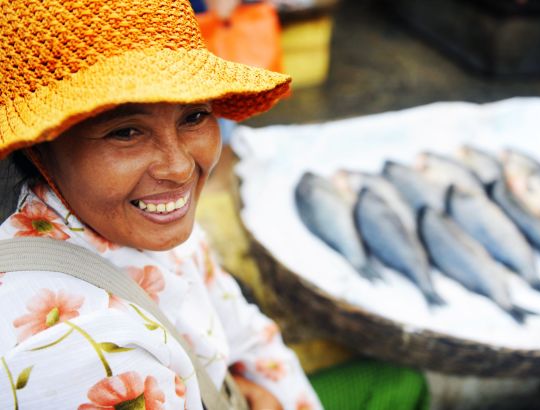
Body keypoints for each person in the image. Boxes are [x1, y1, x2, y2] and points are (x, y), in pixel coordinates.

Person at [0, 1, 322, 409]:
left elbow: (248, 334)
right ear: (38, 148)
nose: (180, 167)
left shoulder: (151, 225)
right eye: (126, 131)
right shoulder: (75, 352)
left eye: (194, 116)